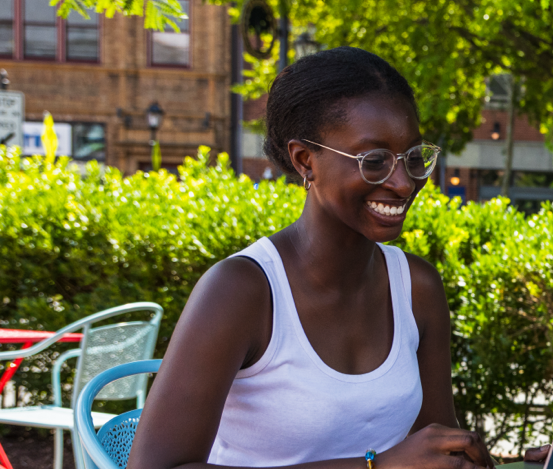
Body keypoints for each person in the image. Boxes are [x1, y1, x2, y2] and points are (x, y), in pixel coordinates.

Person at [128, 47, 495, 469]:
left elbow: (438, 448)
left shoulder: (417, 288)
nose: (403, 182)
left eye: (414, 157)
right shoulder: (242, 290)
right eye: (374, 161)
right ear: (306, 160)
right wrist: (375, 467)